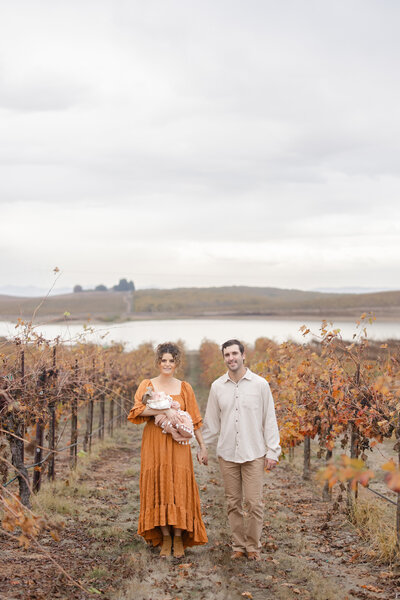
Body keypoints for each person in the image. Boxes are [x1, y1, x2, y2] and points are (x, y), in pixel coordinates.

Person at [201, 339, 281, 561]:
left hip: (253, 453)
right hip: (227, 454)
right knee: (233, 503)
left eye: (235, 353)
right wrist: (203, 447)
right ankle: (238, 545)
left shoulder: (260, 385)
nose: (231, 358)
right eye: (227, 355)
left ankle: (253, 546)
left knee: (254, 503)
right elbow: (212, 422)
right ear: (224, 358)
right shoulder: (217, 387)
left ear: (243, 355)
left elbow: (270, 420)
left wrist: (273, 451)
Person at [127, 342, 208, 558]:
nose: (167, 364)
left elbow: (196, 420)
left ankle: (179, 536)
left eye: (171, 361)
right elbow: (137, 411)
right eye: (163, 360)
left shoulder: (184, 387)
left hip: (178, 444)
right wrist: (164, 411)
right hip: (154, 441)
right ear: (158, 362)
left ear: (177, 363)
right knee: (159, 483)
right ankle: (164, 536)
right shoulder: (148, 385)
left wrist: (202, 446)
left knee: (178, 484)